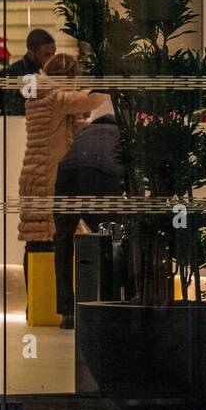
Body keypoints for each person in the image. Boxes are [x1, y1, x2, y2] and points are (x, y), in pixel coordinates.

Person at [18, 53, 109, 300]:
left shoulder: (41, 94)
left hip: (35, 171)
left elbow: (61, 128)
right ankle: (58, 301)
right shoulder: (55, 96)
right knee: (54, 236)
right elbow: (91, 99)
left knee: (37, 238)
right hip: (50, 174)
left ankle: (37, 302)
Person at [53, 97, 126, 328]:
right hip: (102, 174)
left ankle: (67, 312)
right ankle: (108, 303)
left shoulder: (87, 132)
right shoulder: (121, 134)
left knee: (63, 240)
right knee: (110, 239)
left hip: (67, 171)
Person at [0, 28, 56, 116]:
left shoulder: (53, 70)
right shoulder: (13, 73)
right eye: (46, 55)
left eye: (53, 53)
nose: (52, 59)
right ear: (31, 52)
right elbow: (14, 110)